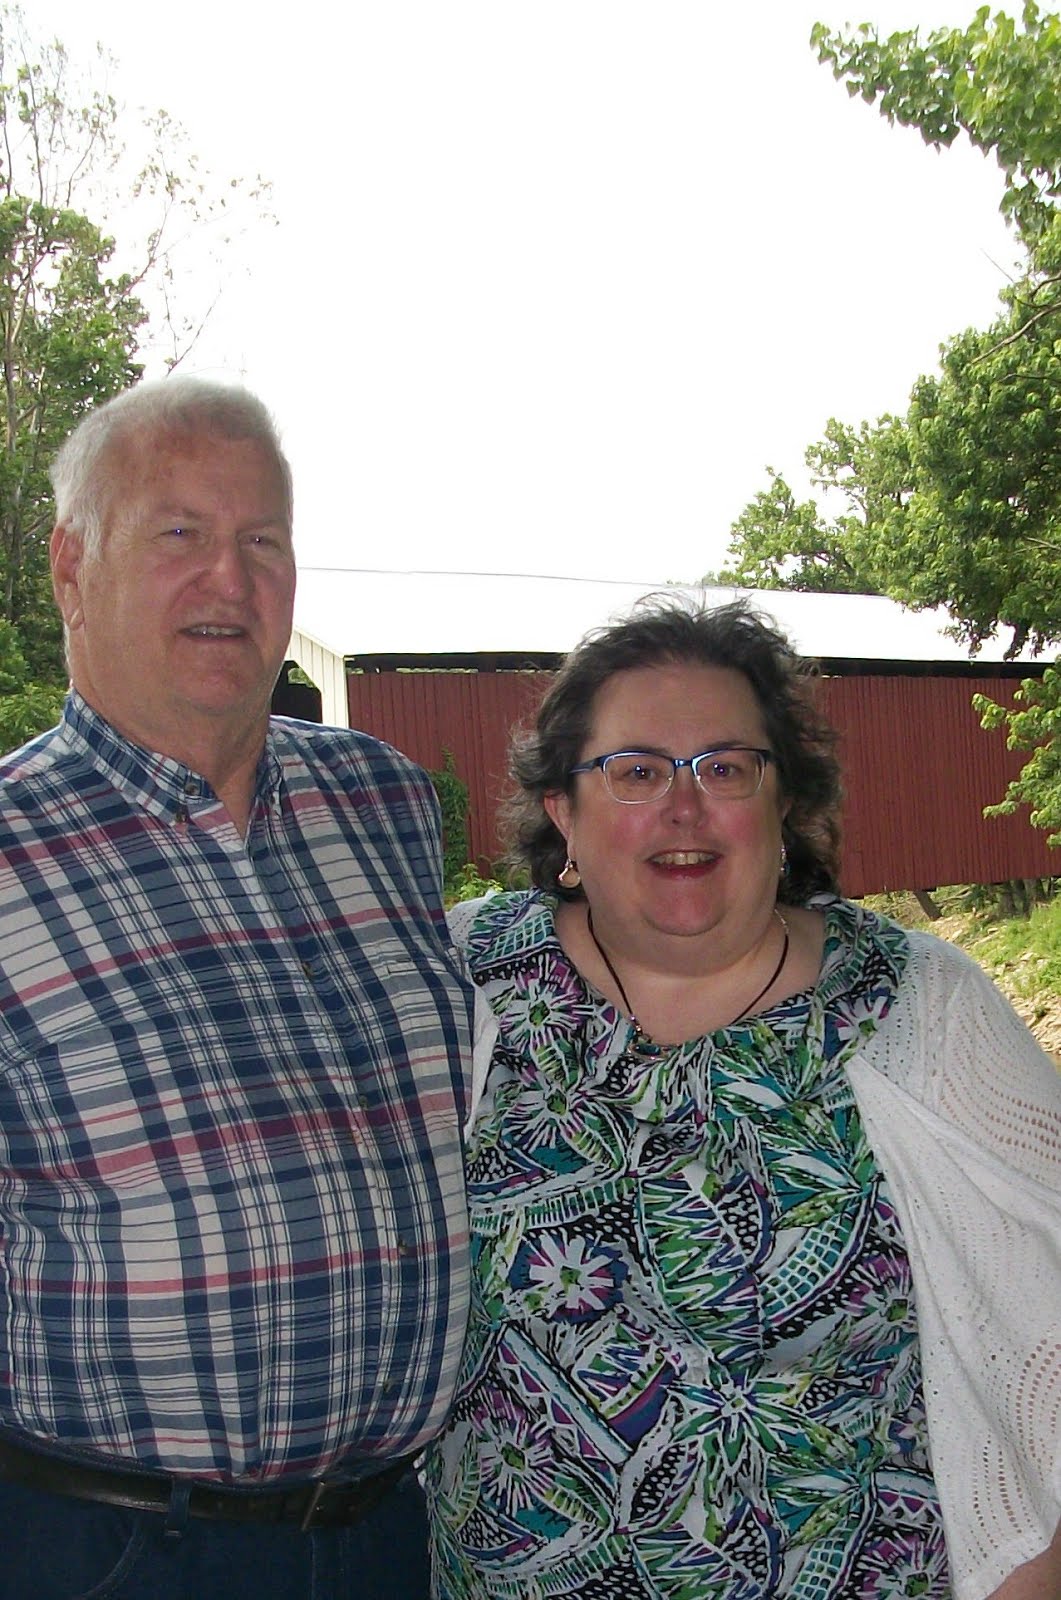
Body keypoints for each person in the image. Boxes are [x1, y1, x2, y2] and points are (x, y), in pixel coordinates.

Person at [426, 596, 1061, 1600]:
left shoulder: (918, 1009)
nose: (682, 808)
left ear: (783, 805)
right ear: (563, 814)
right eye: (634, 771)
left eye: (724, 768)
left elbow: (1037, 1353)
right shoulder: (461, 985)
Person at [0, 376, 473, 1599]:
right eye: (180, 535)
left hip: (388, 1538)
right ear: (70, 565)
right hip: (114, 1550)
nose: (230, 578)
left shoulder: (383, 802)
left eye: (262, 539)